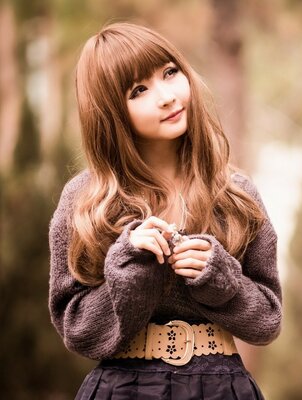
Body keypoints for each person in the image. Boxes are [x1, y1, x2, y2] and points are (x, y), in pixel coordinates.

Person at [48, 22, 281, 400]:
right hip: (121, 387)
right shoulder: (85, 200)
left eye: (170, 73)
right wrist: (130, 269)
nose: (167, 97)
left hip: (222, 387)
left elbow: (268, 321)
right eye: (139, 90)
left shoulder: (236, 194)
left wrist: (220, 279)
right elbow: (77, 331)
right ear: (111, 112)